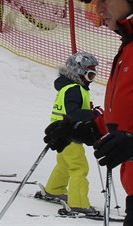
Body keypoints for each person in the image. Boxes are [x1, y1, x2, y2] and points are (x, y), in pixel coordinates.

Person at [44, 0, 133, 225]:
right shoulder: (127, 46)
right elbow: (125, 116)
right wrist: (84, 128)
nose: (99, 9)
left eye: (104, 0)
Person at [38, 52, 100, 216]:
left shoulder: (70, 87)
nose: (91, 79)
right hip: (69, 133)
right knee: (79, 167)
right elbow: (73, 113)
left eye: (94, 74)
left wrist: (89, 111)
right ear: (78, 73)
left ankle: (54, 189)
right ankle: (78, 203)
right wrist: (93, 115)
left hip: (61, 133)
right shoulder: (74, 89)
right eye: (90, 74)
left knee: (65, 164)